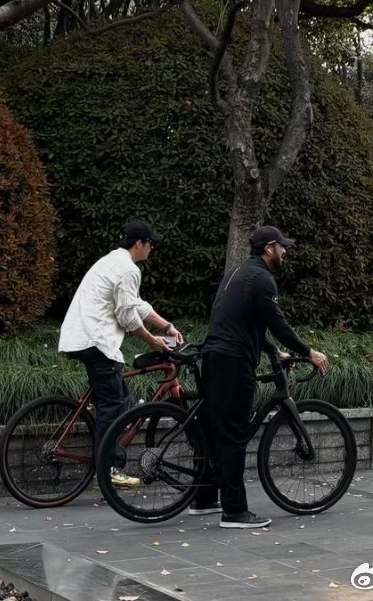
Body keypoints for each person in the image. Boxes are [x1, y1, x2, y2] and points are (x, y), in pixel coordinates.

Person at [192, 226, 330, 528]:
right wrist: (308, 352)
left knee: (214, 432)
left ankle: (203, 499)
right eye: (282, 247)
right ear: (269, 248)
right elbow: (276, 323)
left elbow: (248, 322)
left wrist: (271, 351)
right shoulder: (262, 279)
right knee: (233, 436)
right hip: (233, 361)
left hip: (215, 355)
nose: (286, 252)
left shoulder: (238, 273)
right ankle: (235, 512)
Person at [59, 218, 184, 487]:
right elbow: (127, 317)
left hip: (81, 338)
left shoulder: (112, 262)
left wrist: (167, 326)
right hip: (96, 341)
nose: (152, 249)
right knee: (116, 404)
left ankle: (104, 463)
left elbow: (135, 305)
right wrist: (154, 341)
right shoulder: (127, 270)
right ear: (139, 243)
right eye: (150, 244)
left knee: (109, 399)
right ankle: (110, 469)